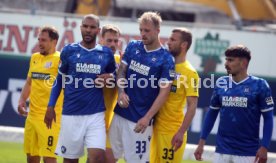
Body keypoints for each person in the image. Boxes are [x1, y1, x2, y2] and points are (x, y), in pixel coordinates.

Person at [44, 14, 116, 163]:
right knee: (70, 160)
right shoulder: (68, 50)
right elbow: (60, 79)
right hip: (71, 113)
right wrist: (51, 105)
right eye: (86, 26)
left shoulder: (106, 53)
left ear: (98, 30)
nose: (88, 30)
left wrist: (111, 78)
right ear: (81, 27)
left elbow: (114, 76)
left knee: (96, 157)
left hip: (95, 114)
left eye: (92, 27)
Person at [109, 11, 175, 163]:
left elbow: (164, 93)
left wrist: (147, 117)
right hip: (119, 114)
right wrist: (121, 92)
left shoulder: (166, 59)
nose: (143, 34)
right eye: (141, 30)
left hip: (140, 122)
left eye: (147, 30)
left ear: (157, 30)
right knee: (107, 158)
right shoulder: (133, 46)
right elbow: (121, 72)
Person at [194, 45, 274, 163]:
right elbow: (211, 114)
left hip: (247, 153)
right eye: (226, 59)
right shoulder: (221, 83)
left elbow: (268, 118)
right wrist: (201, 142)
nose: (226, 63)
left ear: (243, 63)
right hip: (221, 151)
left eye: (230, 60)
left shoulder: (260, 85)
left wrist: (265, 146)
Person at [150, 28, 199, 163]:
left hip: (171, 132)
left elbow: (192, 105)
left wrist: (181, 132)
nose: (168, 42)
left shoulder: (190, 73)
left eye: (173, 40)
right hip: (153, 129)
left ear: (183, 45)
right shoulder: (164, 65)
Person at [18, 26, 63, 163]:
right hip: (32, 117)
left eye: (44, 40)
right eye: (39, 39)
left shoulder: (60, 59)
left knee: (49, 158)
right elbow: (29, 82)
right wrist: (21, 100)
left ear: (54, 41)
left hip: (50, 118)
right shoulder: (35, 58)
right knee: (31, 157)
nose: (40, 43)